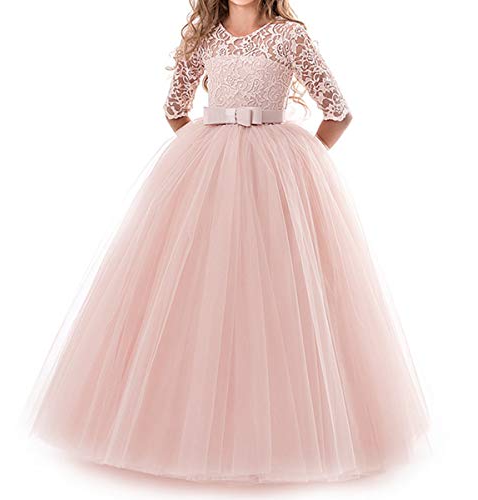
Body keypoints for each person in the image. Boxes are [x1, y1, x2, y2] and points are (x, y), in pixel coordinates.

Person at [25, 0, 430, 485]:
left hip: (272, 174)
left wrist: (299, 163)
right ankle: (177, 423)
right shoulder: (205, 37)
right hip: (211, 173)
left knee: (274, 289)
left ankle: (282, 431)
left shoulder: (289, 36)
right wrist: (206, 148)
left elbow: (338, 113)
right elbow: (175, 108)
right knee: (202, 286)